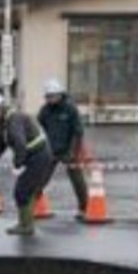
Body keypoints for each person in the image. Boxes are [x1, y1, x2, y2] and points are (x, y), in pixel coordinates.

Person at [0, 90, 55, 236]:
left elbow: (20, 143)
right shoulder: (6, 123)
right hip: (36, 157)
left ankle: (26, 226)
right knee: (27, 191)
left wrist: (18, 164)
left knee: (22, 191)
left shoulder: (14, 120)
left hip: (39, 157)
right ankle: (26, 223)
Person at [38, 78, 88, 216]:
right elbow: (40, 127)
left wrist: (73, 151)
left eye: (52, 96)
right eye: (48, 96)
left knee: (77, 180)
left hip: (68, 149)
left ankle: (84, 207)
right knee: (40, 178)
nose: (50, 99)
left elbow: (78, 131)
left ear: (60, 94)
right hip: (51, 149)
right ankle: (33, 204)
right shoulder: (45, 111)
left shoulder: (70, 109)